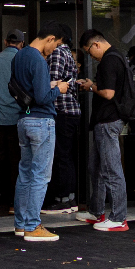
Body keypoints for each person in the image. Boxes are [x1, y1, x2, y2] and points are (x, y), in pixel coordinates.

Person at [10, 26, 71, 241]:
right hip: (41, 120)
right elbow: (43, 97)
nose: (54, 50)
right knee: (40, 175)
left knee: (25, 173)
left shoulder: (19, 56)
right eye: (56, 45)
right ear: (50, 38)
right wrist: (59, 89)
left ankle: (21, 224)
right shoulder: (38, 59)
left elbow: (29, 88)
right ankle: (33, 226)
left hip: (24, 119)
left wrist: (49, 85)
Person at [79, 29, 131, 231]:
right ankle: (96, 211)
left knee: (111, 170)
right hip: (107, 121)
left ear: (96, 45)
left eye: (89, 51)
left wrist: (91, 86)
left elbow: (108, 93)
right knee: (96, 168)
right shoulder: (118, 56)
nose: (90, 56)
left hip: (108, 121)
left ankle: (119, 217)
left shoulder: (109, 60)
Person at [0, 30, 26, 215]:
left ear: (5, 42)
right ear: (22, 43)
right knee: (15, 161)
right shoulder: (22, 60)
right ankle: (13, 202)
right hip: (16, 118)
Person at [47, 23, 81, 211]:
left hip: (62, 110)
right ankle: (68, 197)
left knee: (61, 156)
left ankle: (62, 199)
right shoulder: (68, 53)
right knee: (65, 156)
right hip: (70, 111)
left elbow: (53, 82)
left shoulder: (58, 53)